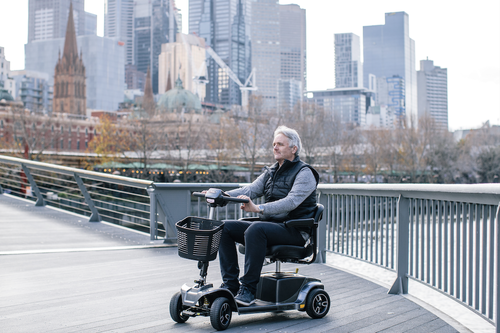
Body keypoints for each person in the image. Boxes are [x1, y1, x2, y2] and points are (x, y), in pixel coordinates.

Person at [219, 125, 319, 306]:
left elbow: (291, 202)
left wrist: (258, 208)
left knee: (256, 229)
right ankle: (231, 285)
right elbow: (250, 189)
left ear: (293, 149)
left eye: (280, 144)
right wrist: (222, 196)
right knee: (224, 227)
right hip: (271, 227)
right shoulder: (271, 172)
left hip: (294, 230)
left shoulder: (305, 173)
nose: (275, 147)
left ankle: (248, 289)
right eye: (274, 144)